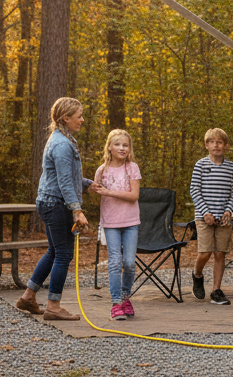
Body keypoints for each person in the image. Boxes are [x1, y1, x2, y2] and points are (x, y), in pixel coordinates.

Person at [16, 97, 93, 321]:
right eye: (79, 116)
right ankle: (54, 306)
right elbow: (65, 182)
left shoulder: (62, 138)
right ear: (65, 118)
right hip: (56, 204)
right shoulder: (61, 144)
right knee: (64, 254)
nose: (82, 120)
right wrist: (77, 210)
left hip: (50, 202)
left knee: (54, 251)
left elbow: (67, 175)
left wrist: (88, 184)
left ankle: (29, 296)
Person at [90, 129, 141, 320]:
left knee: (128, 262)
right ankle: (116, 303)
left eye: (125, 145)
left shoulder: (132, 168)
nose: (122, 148)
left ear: (129, 149)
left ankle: (126, 297)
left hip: (130, 222)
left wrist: (108, 192)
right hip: (110, 222)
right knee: (114, 262)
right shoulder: (101, 170)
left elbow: (134, 196)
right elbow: (98, 193)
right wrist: (94, 190)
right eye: (117, 144)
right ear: (109, 147)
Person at [190, 128, 233, 305]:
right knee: (205, 252)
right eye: (212, 142)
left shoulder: (231, 166)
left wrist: (228, 211)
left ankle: (216, 291)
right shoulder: (200, 165)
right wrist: (205, 212)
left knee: (220, 253)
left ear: (225, 146)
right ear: (207, 145)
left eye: (219, 142)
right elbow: (194, 190)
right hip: (204, 217)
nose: (216, 145)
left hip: (223, 218)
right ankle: (197, 274)